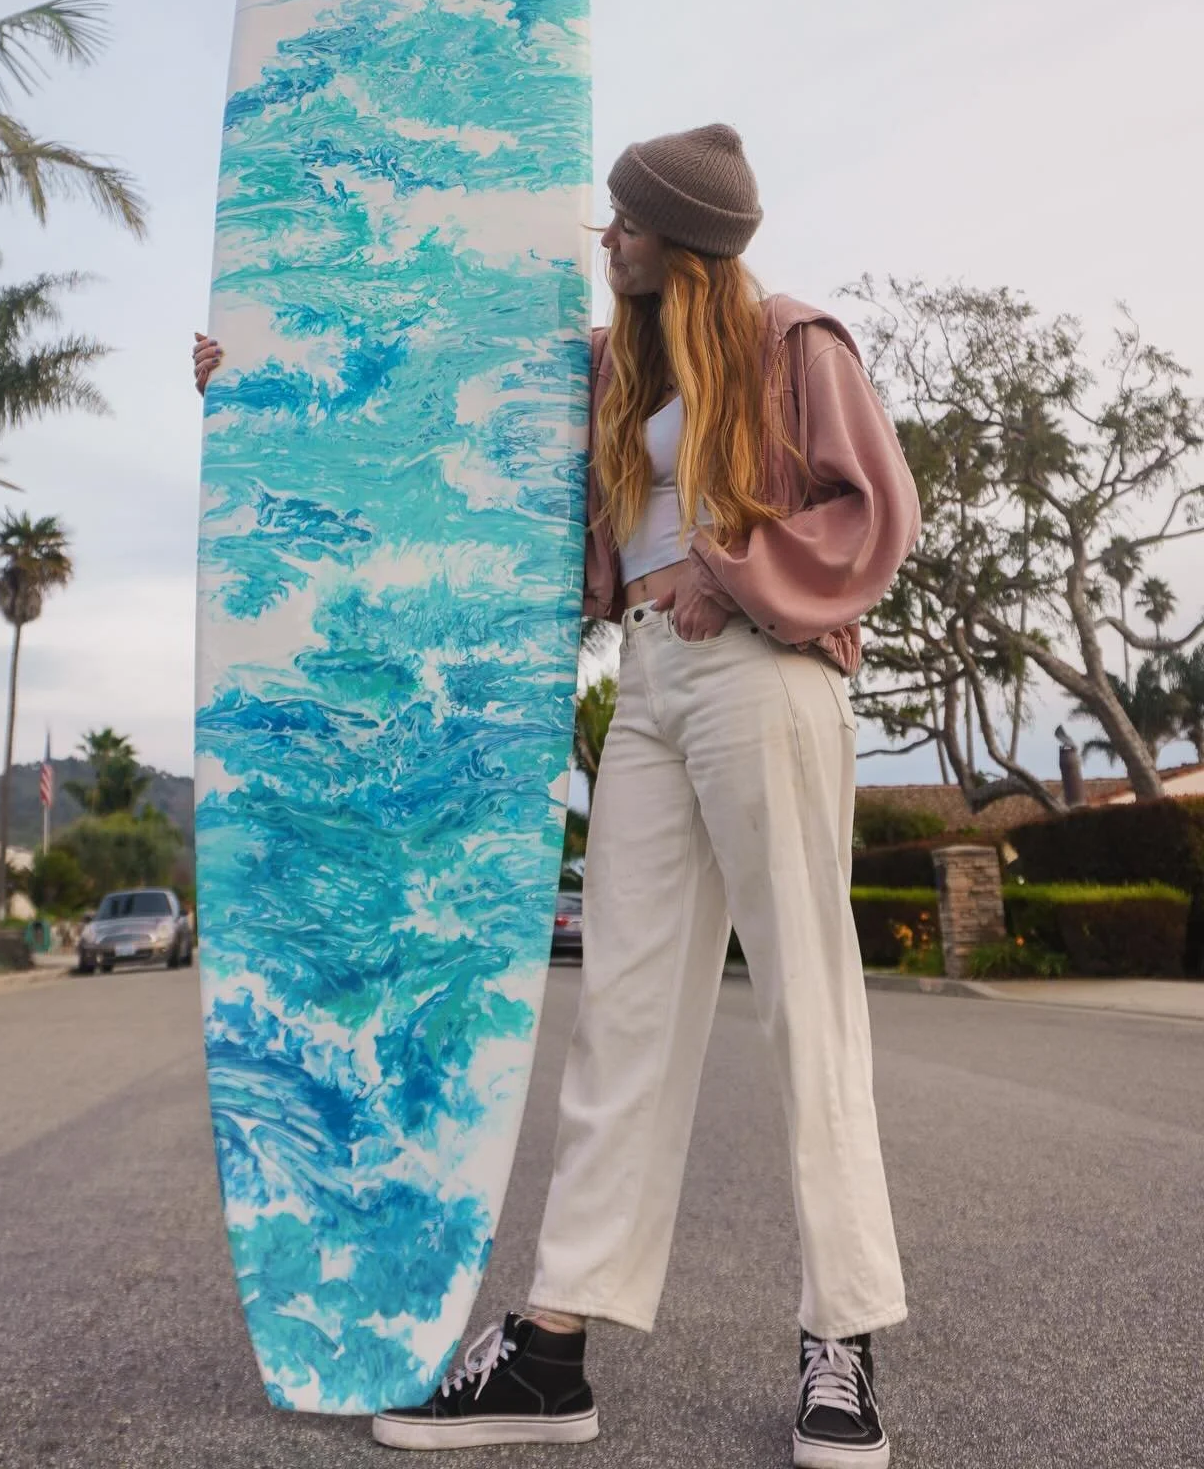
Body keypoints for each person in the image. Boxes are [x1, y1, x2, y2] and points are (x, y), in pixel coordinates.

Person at [193, 124, 920, 1468]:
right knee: (622, 1019)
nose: (609, 236)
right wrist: (251, 378)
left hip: (764, 675)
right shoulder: (606, 370)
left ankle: (843, 1339)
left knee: (808, 1006)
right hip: (643, 689)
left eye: (630, 220)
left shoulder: (795, 342)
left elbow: (873, 512)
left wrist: (733, 563)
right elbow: (432, 406)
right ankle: (552, 1348)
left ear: (686, 238)